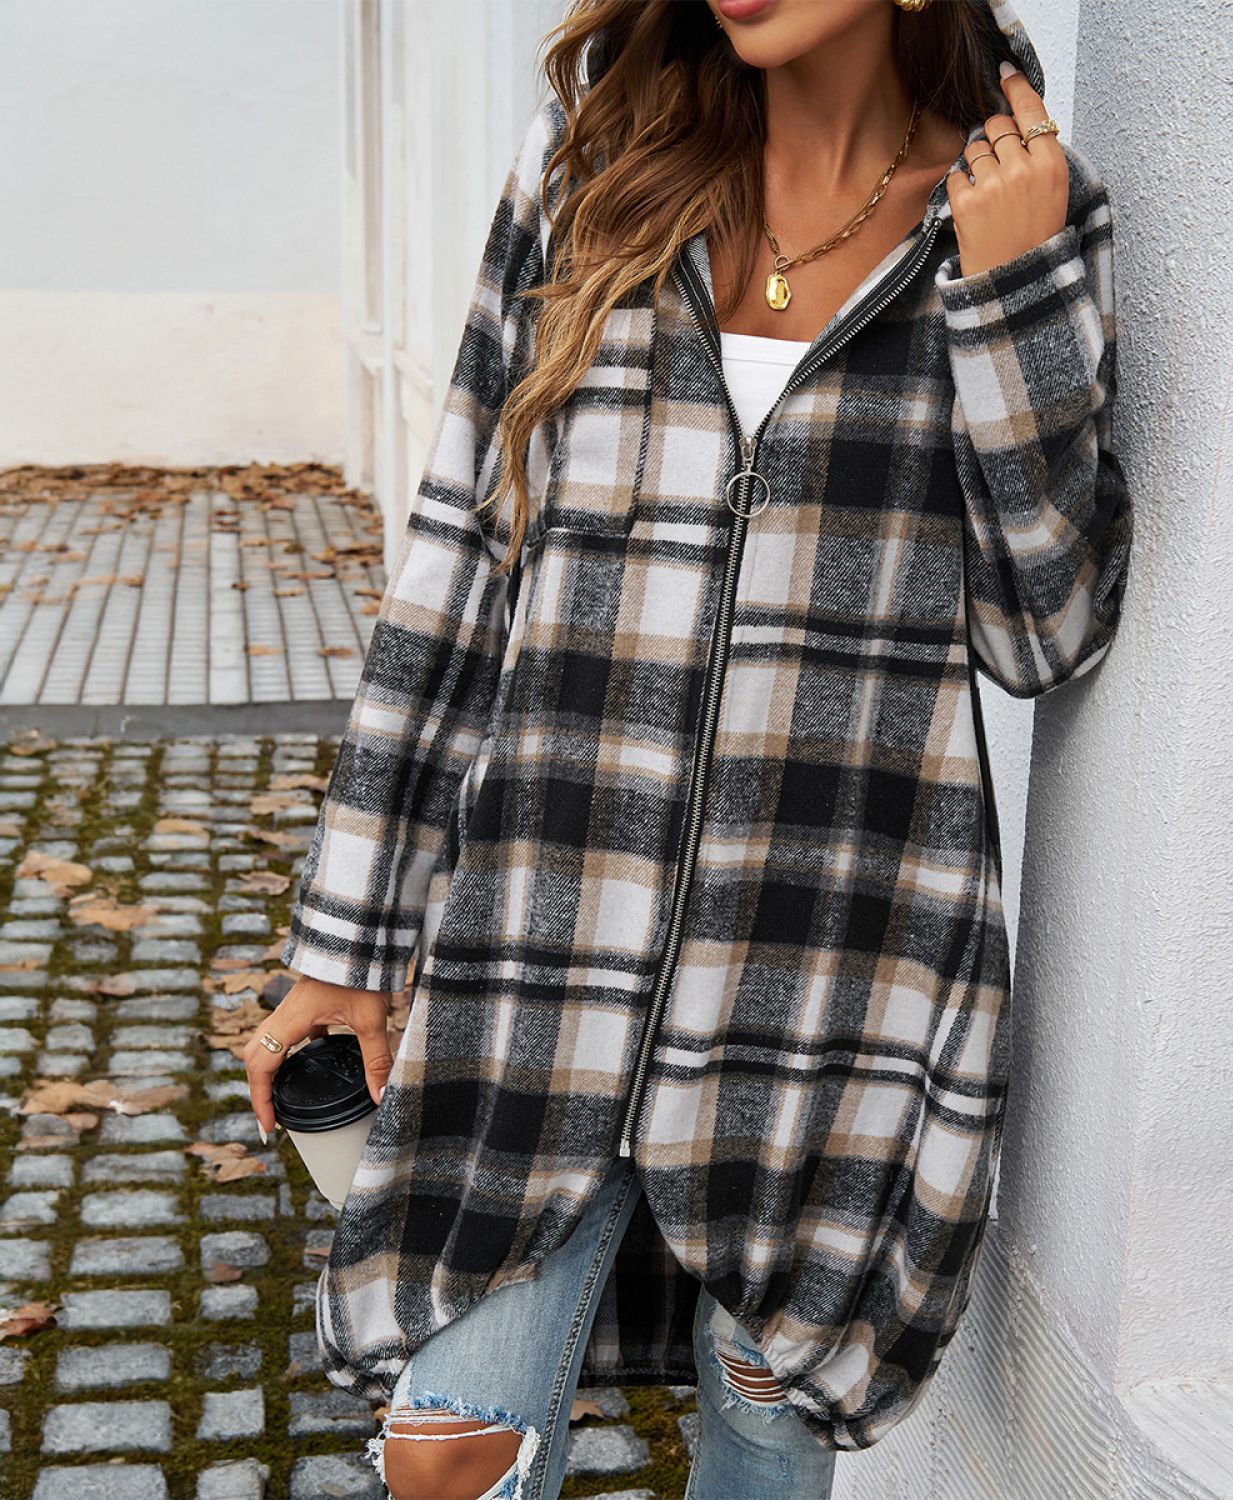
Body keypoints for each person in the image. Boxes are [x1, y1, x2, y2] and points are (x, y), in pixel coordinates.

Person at [246, 0, 1134, 1496]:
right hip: (542, 937)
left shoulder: (1016, 212)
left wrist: (1013, 294)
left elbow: (1041, 633)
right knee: (445, 1455)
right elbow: (460, 552)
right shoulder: (596, 164)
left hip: (838, 967)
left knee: (763, 1439)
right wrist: (349, 937)